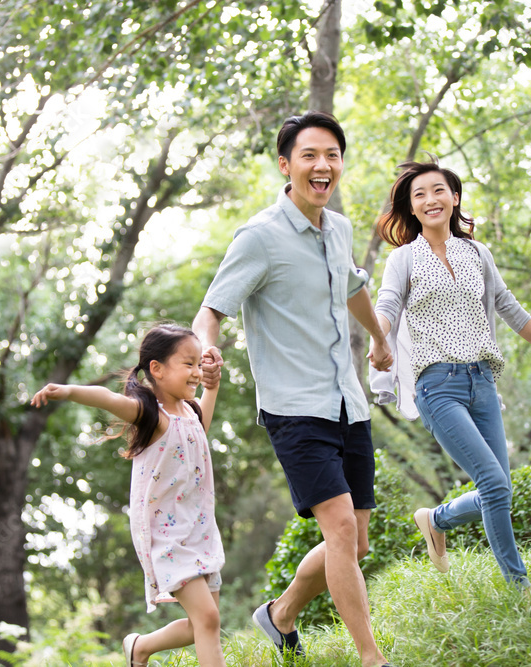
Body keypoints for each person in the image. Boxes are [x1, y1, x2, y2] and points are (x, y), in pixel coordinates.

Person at [193, 111, 396, 667]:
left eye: (332, 155)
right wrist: (207, 349)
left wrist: (380, 339)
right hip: (294, 409)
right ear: (286, 165)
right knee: (339, 529)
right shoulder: (260, 237)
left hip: (347, 401)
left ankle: (279, 615)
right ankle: (372, 658)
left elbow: (352, 287)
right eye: (309, 155)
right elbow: (211, 311)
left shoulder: (339, 229)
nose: (322, 165)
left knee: (355, 541)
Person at [370, 159, 531, 585]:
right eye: (419, 195)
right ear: (411, 207)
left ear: (455, 197)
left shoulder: (477, 254)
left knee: (499, 488)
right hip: (437, 386)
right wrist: (379, 339)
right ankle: (519, 587)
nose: (430, 200)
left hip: (482, 380)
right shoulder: (403, 259)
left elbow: (510, 308)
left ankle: (436, 519)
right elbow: (387, 304)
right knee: (494, 483)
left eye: (438, 190)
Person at [30, 324, 226, 667]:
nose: (197, 372)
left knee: (204, 622)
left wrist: (213, 386)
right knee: (207, 620)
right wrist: (68, 391)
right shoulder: (151, 415)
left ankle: (140, 647)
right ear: (157, 369)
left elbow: (201, 426)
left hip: (200, 531)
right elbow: (108, 399)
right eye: (188, 364)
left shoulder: (191, 413)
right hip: (167, 536)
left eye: (199, 364)